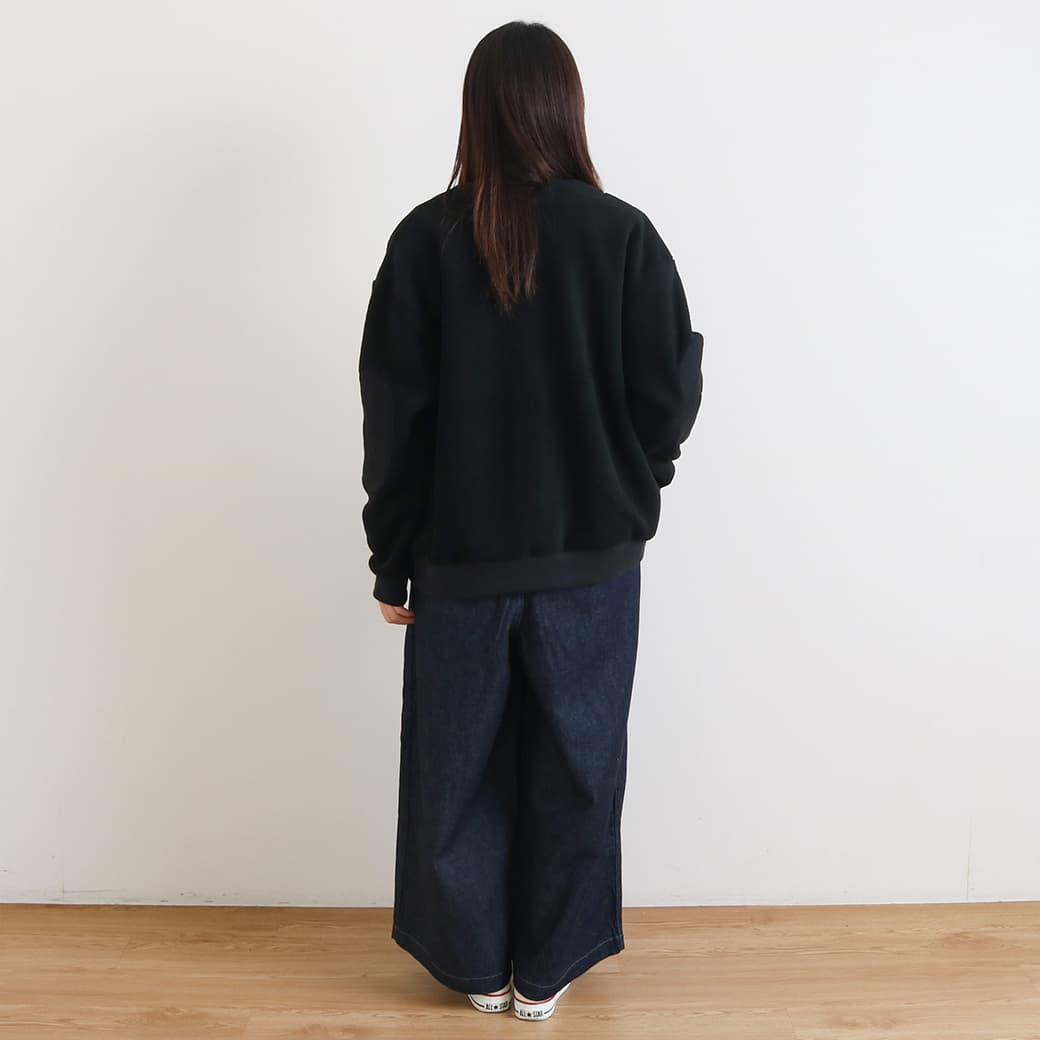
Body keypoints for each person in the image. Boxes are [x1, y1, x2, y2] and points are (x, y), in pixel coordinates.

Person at [358, 19, 704, 1021]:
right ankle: (545, 968)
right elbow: (669, 392)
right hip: (592, 564)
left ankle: (474, 962)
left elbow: (395, 418)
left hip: (459, 562)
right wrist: (630, 478)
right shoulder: (622, 235)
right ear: (565, 108)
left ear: (474, 112)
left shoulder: (423, 240)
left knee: (455, 771)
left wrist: (392, 561)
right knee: (578, 767)